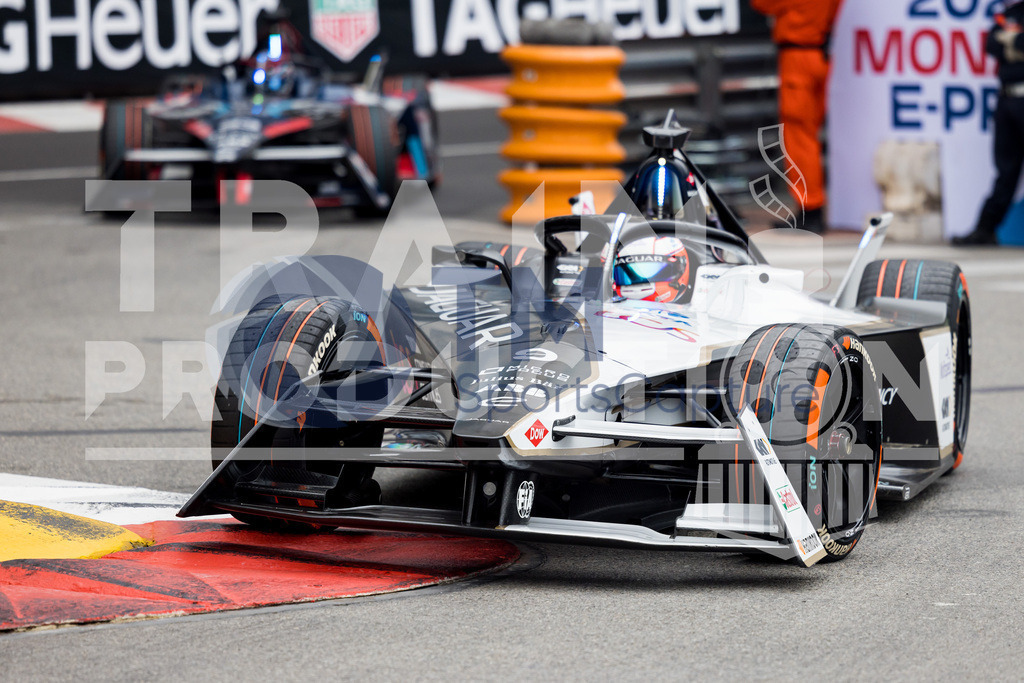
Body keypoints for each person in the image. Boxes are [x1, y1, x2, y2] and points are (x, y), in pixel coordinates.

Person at [752, 0, 844, 235]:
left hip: (798, 58)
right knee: (808, 135)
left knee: (799, 138)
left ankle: (810, 208)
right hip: (820, 53)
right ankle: (811, 207)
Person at [954, 0, 1024, 246]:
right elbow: (992, 44)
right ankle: (985, 229)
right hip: (1007, 100)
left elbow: (1015, 44)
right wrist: (1011, 43)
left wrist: (1012, 42)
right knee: (1005, 170)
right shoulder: (1008, 15)